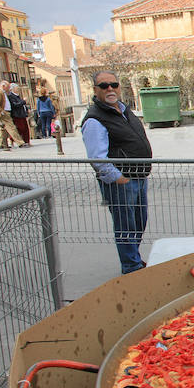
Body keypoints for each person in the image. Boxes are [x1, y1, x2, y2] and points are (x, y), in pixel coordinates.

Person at [81, 71, 153, 274]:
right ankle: (131, 267)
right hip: (122, 182)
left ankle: (133, 260)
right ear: (96, 90)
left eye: (114, 84)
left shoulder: (123, 110)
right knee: (125, 226)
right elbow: (97, 158)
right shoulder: (95, 119)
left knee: (138, 222)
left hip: (138, 177)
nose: (110, 89)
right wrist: (118, 178)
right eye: (104, 86)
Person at [0, 81, 22, 150]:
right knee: (12, 127)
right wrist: (2, 112)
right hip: (4, 113)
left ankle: (2, 144)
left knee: (3, 129)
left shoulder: (3, 92)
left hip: (5, 112)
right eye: (8, 87)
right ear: (3, 86)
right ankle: (20, 142)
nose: (9, 89)